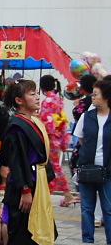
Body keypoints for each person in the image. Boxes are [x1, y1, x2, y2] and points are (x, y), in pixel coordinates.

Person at [0, 79, 57, 245]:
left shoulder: (33, 122)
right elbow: (17, 159)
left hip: (37, 183)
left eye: (37, 93)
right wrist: (24, 189)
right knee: (23, 236)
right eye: (32, 94)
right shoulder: (16, 126)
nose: (37, 97)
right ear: (19, 100)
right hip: (24, 187)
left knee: (41, 234)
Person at [73, 78, 111, 244]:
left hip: (108, 170)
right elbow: (81, 140)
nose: (92, 97)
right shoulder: (86, 117)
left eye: (96, 94)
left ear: (106, 96)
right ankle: (87, 241)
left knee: (108, 209)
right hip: (87, 169)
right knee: (86, 208)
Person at [39, 75, 76, 207]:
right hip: (58, 137)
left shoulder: (47, 101)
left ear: (42, 87)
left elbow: (47, 123)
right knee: (53, 166)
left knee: (53, 167)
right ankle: (52, 194)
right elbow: (61, 120)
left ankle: (67, 194)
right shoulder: (58, 99)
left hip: (50, 138)